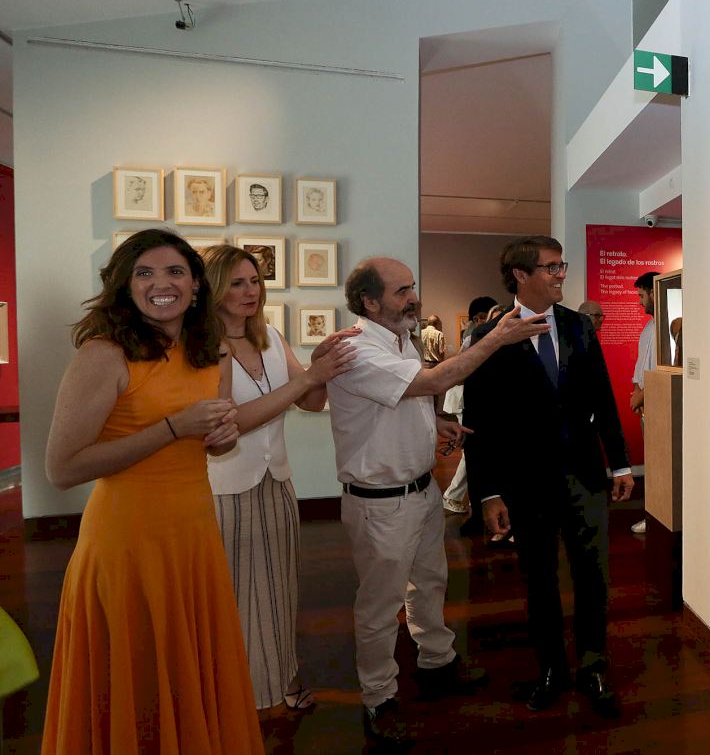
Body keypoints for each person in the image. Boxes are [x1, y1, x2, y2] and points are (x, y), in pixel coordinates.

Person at [41, 229, 263, 753]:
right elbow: (62, 469)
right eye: (145, 273)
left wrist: (222, 437)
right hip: (126, 543)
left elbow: (213, 444)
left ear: (196, 285)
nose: (162, 284)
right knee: (135, 676)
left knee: (187, 674)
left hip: (194, 538)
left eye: (175, 272)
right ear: (125, 285)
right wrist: (173, 428)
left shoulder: (212, 352)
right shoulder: (104, 354)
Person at [326, 257, 549, 746]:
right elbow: (430, 383)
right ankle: (379, 697)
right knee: (380, 605)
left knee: (429, 582)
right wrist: (494, 338)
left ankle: (436, 661)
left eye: (412, 287)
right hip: (380, 502)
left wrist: (436, 425)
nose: (414, 297)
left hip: (420, 490)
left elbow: (403, 400)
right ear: (369, 301)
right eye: (402, 291)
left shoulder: (400, 339)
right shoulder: (356, 349)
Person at [464, 235, 632, 718]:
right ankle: (552, 669)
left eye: (562, 266)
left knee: (593, 576)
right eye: (551, 267)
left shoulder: (579, 326)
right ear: (520, 274)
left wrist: (620, 462)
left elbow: (603, 398)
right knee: (539, 580)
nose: (561, 275)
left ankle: (593, 665)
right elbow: (480, 421)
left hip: (584, 475)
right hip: (525, 482)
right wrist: (488, 493)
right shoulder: (489, 337)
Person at [203, 245, 357, 713]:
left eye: (255, 281)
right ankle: (232, 691)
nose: (250, 291)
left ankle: (281, 676)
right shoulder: (204, 347)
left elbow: (309, 402)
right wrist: (306, 378)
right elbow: (227, 424)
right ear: (214, 289)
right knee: (232, 595)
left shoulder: (269, 335)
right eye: (237, 283)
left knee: (280, 589)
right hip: (223, 488)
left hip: (276, 480)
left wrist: (322, 366)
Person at [440, 298, 499, 519]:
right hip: (464, 400)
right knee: (471, 451)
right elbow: (461, 372)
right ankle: (454, 496)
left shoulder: (479, 337)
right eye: (481, 318)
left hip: (470, 400)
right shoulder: (473, 338)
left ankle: (469, 498)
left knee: (474, 451)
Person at [629, 271, 659, 535]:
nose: (640, 302)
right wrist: (637, 393)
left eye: (642, 295)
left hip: (658, 405)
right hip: (646, 405)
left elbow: (665, 371)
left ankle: (658, 516)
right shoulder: (648, 328)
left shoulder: (669, 327)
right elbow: (641, 367)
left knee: (659, 464)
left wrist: (642, 394)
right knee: (652, 463)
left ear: (653, 292)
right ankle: (652, 514)